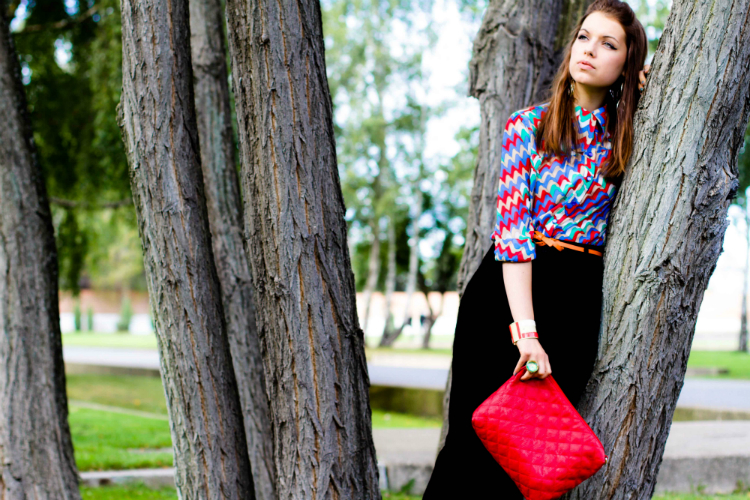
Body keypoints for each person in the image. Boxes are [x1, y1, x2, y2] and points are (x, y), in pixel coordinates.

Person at [422, 1, 650, 498]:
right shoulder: (527, 127)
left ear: (627, 63)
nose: (589, 50)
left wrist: (647, 84)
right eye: (584, 37)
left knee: (535, 456)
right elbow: (512, 237)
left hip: (575, 301)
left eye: (608, 44)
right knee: (473, 443)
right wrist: (526, 334)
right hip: (506, 295)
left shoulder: (629, 135)